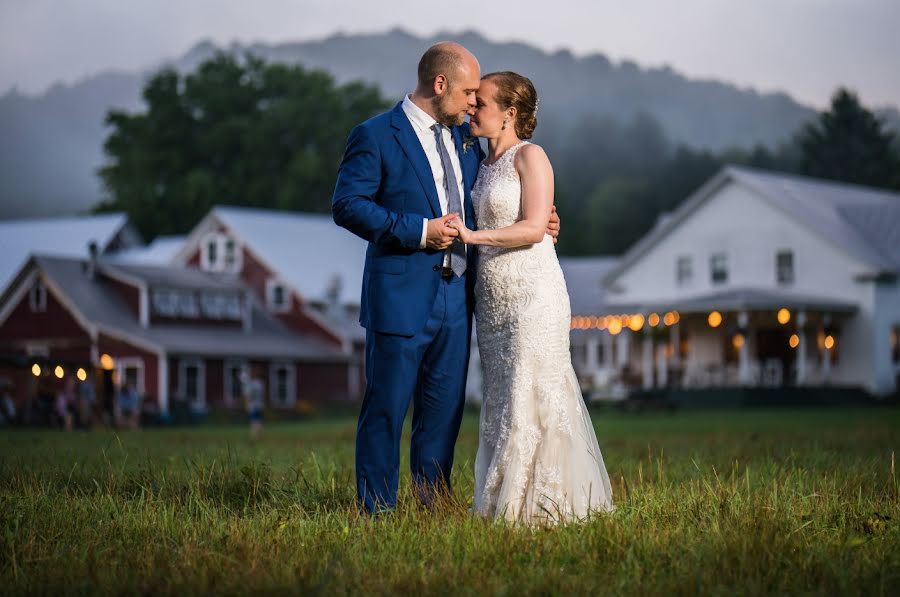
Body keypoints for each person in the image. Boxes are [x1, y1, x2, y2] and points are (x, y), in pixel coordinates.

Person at [332, 42, 560, 514]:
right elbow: (348, 206)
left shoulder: (467, 142)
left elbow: (502, 196)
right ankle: (377, 512)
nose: (473, 103)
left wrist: (544, 219)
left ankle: (433, 507)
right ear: (440, 85)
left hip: (458, 297)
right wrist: (419, 231)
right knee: (386, 409)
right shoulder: (376, 135)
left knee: (443, 413)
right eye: (468, 92)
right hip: (400, 293)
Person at [448, 71, 613, 524]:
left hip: (533, 293)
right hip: (493, 298)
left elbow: (536, 226)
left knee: (532, 389)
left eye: (480, 102)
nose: (471, 108)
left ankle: (540, 506)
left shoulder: (531, 156)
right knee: (501, 395)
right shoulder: (478, 161)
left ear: (510, 113)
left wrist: (473, 236)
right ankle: (498, 497)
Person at [242, 372, 264, 439]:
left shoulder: (248, 385)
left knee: (253, 420)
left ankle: (254, 435)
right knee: (259, 420)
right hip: (259, 404)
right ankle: (259, 434)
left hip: (252, 405)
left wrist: (246, 404)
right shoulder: (259, 384)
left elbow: (248, 396)